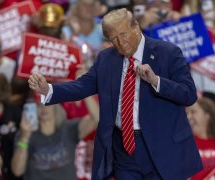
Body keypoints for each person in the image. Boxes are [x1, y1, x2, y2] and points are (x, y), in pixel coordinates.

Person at [28, 8, 202, 179]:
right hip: (123, 150)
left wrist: (156, 81)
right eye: (113, 39)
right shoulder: (106, 58)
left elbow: (188, 94)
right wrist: (48, 89)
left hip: (161, 148)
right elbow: (82, 86)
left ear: (136, 27)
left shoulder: (168, 52)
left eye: (123, 35)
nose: (120, 43)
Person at [11, 95, 98, 180]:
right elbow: (17, 171)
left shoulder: (69, 128)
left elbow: (96, 119)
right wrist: (25, 137)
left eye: (48, 103)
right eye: (40, 105)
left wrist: (85, 89)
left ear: (56, 106)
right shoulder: (24, 134)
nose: (44, 108)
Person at [186, 97, 215, 180]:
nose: (188, 117)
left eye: (193, 112)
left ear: (207, 115)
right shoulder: (184, 144)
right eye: (187, 113)